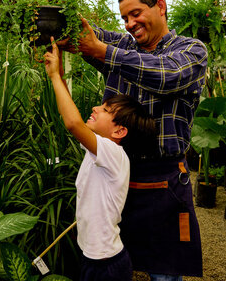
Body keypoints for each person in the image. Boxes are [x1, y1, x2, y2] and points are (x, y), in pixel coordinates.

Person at [32, 0, 207, 280]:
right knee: (118, 260)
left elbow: (167, 76)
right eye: (124, 17)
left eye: (135, 14)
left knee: (164, 271)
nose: (128, 24)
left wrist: (103, 52)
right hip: (118, 175)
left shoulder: (191, 50)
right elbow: (80, 28)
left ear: (161, 6)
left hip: (163, 179)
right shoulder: (123, 45)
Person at [44, 41, 157, 281]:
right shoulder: (99, 150)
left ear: (119, 132)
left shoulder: (112, 153)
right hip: (95, 258)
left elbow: (73, 123)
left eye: (105, 110)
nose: (96, 108)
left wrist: (54, 76)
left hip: (106, 265)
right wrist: (59, 73)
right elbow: (70, 114)